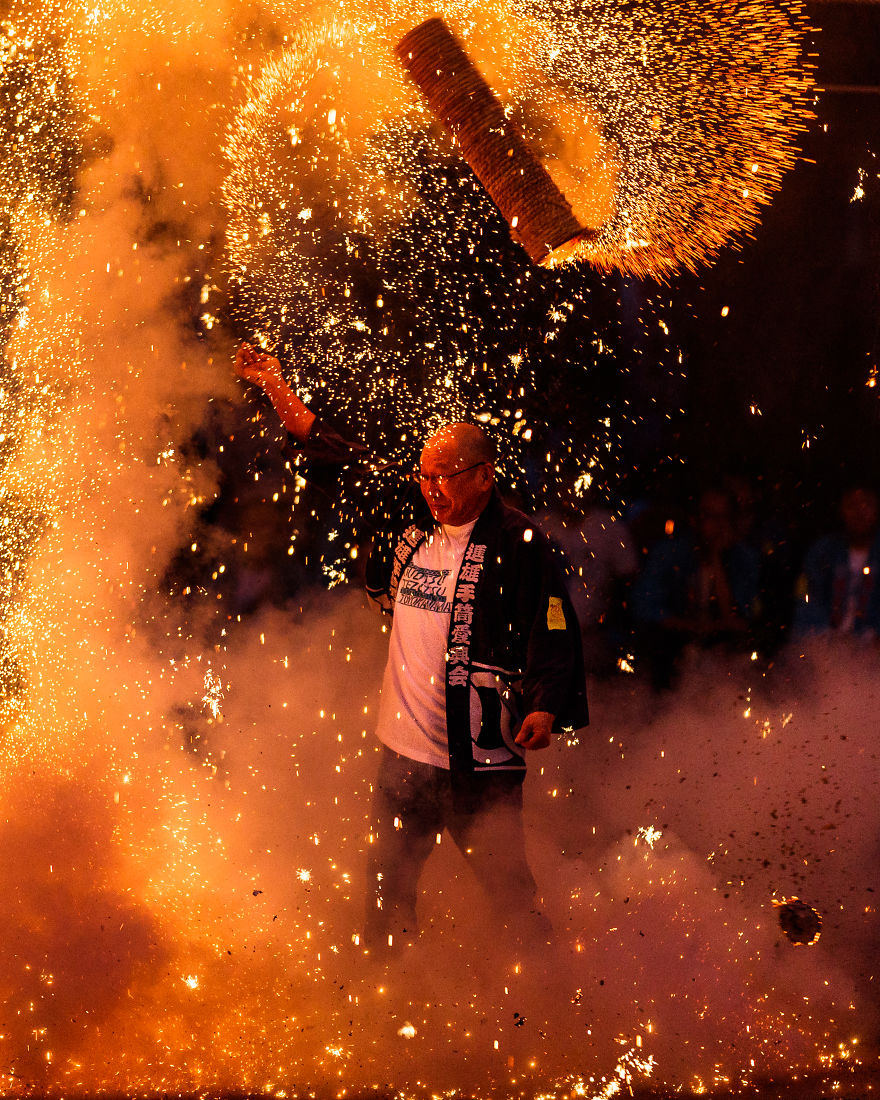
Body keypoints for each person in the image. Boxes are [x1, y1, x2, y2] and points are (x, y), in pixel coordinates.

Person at [234, 343, 589, 952]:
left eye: (444, 477)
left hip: (478, 765)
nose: (430, 488)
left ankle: (555, 999)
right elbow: (330, 446)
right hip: (402, 757)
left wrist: (544, 704)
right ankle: (385, 1007)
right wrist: (274, 387)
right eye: (424, 475)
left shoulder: (518, 540)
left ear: (483, 476)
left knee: (510, 896)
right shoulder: (411, 512)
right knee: (385, 889)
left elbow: (552, 622)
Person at [794, 484, 880, 638]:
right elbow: (807, 600)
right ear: (841, 509)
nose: (859, 512)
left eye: (866, 504)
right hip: (828, 647)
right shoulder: (823, 551)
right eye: (851, 505)